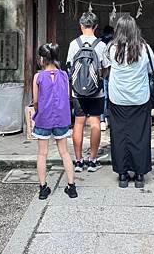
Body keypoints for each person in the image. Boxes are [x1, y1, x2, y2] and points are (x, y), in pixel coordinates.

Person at [105, 15, 154, 188]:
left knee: (119, 135)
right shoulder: (144, 48)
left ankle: (122, 175)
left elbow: (105, 68)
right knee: (140, 136)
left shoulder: (111, 49)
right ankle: (140, 175)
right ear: (135, 29)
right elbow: (153, 68)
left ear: (118, 30)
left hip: (118, 98)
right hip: (140, 98)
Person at [32, 43, 78, 200]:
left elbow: (36, 100)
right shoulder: (64, 75)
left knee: (42, 154)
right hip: (61, 118)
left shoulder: (38, 77)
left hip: (43, 118)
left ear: (42, 58)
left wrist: (38, 110)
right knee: (64, 152)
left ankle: (43, 188)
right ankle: (71, 187)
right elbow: (67, 96)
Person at [67, 11, 109, 173]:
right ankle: (92, 160)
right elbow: (106, 67)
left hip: (78, 92)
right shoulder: (101, 45)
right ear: (96, 27)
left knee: (78, 123)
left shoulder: (73, 44)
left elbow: (70, 67)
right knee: (95, 123)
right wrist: (99, 79)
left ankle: (78, 161)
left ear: (81, 26)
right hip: (96, 91)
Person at [100, 25, 115, 131]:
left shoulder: (100, 42)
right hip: (113, 73)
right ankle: (111, 119)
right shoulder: (114, 42)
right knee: (112, 97)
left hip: (104, 73)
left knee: (103, 97)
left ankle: (102, 120)